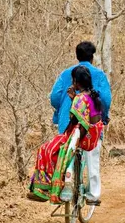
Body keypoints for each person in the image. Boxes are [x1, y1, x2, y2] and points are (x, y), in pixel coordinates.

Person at [28, 66, 105, 204]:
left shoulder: (80, 99)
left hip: (80, 137)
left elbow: (74, 119)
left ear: (76, 81)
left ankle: (44, 188)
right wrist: (74, 98)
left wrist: (74, 101)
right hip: (92, 138)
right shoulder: (93, 96)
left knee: (46, 149)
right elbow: (87, 114)